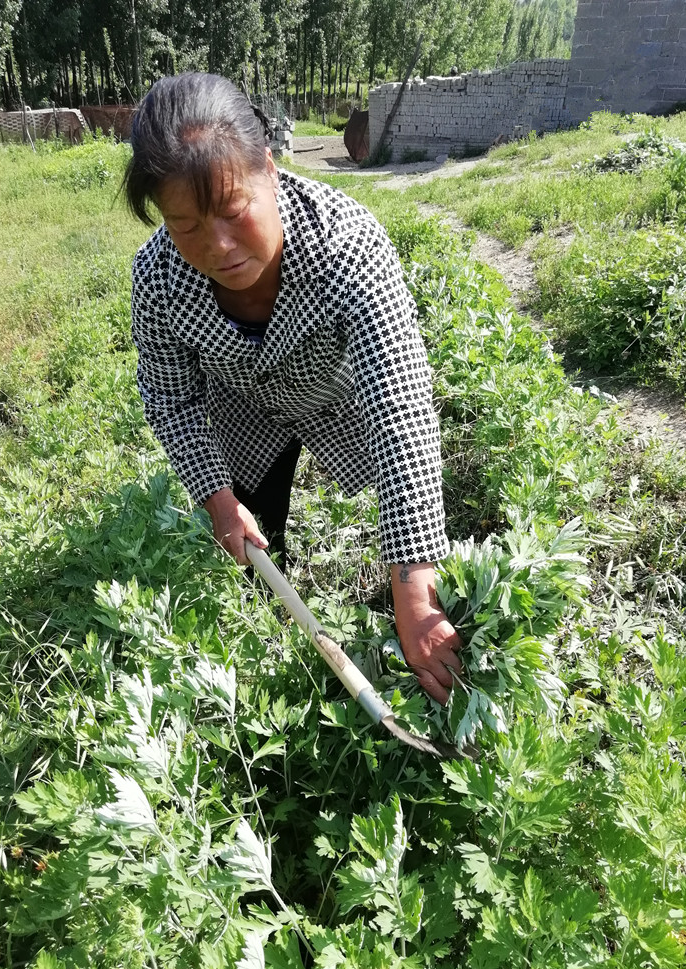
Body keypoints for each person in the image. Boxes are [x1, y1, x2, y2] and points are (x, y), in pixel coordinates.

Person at [124, 72, 462, 705]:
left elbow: (401, 402)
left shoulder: (345, 242)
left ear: (270, 173)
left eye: (231, 211)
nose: (217, 246)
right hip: (239, 409)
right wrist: (218, 498)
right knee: (257, 536)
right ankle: (272, 635)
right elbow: (171, 399)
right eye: (185, 225)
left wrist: (413, 585)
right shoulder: (158, 278)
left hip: (332, 395)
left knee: (404, 517)